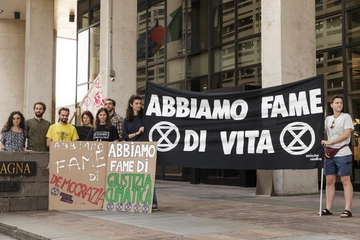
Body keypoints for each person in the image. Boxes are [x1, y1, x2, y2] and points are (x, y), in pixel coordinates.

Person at [320, 95, 354, 218]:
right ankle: (328, 208)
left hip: (343, 153)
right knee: (329, 181)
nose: (340, 105)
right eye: (337, 103)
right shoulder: (328, 119)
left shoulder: (346, 117)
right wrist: (319, 118)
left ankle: (347, 209)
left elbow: (346, 134)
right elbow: (322, 132)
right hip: (329, 154)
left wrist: (331, 142)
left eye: (341, 103)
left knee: (345, 181)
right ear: (331, 105)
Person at [122, 95, 158, 210]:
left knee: (148, 175)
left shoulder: (145, 118)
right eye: (136, 103)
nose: (139, 106)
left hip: (145, 148)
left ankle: (153, 202)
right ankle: (133, 201)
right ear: (131, 105)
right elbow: (125, 136)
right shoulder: (126, 120)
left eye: (140, 103)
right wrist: (137, 133)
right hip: (132, 150)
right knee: (133, 176)